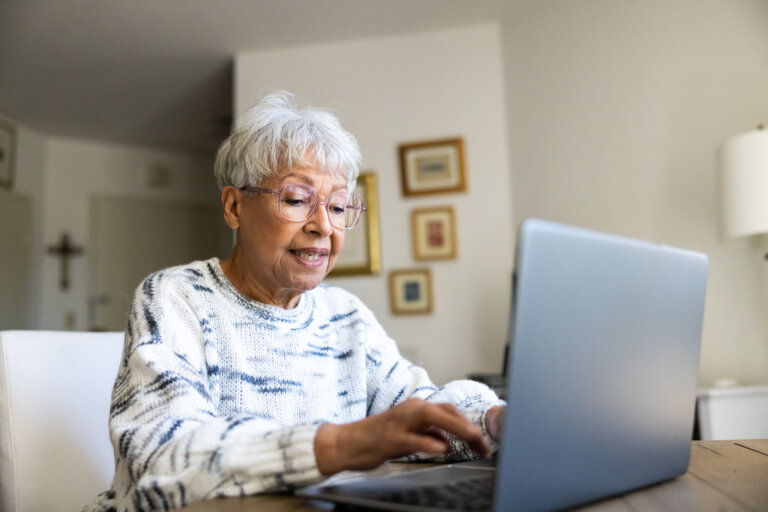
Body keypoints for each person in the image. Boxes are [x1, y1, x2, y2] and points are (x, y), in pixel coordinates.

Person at [84, 91, 506, 512]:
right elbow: (162, 459)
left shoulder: (345, 316)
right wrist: (336, 445)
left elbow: (419, 411)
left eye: (338, 206)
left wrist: (493, 420)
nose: (323, 226)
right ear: (234, 206)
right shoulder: (177, 297)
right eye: (296, 200)